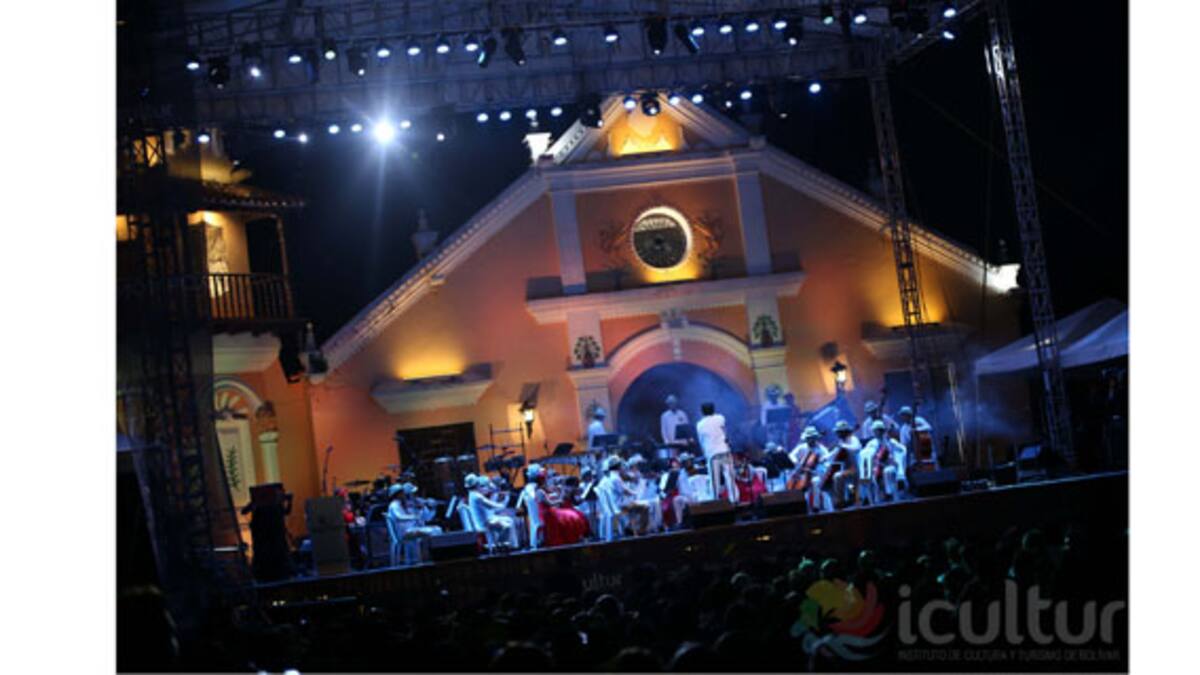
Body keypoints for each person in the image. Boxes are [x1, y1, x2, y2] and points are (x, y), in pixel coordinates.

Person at [530, 464, 590, 547]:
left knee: (572, 515)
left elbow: (571, 500)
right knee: (568, 516)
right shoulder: (540, 491)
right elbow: (550, 503)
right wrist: (559, 500)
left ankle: (576, 536)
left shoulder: (544, 489)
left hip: (553, 510)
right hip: (549, 512)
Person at [697, 402, 739, 504]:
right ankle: (734, 500)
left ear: (702, 412)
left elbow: (701, 441)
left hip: (712, 454)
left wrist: (705, 453)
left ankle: (715, 502)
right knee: (730, 476)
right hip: (724, 450)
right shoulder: (720, 418)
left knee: (714, 480)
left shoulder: (700, 424)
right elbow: (725, 432)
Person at [467, 475, 519, 550]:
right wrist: (502, 505)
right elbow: (490, 506)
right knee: (507, 526)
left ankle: (507, 545)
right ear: (476, 484)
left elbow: (486, 495)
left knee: (509, 520)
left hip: (486, 520)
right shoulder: (477, 496)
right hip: (485, 523)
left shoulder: (472, 494)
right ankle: (499, 545)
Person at [819, 420, 861, 509]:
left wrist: (844, 446)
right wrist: (824, 458)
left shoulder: (853, 439)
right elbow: (834, 453)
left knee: (837, 476)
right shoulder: (841, 442)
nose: (837, 434)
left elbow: (857, 448)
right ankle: (835, 502)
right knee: (827, 478)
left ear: (844, 431)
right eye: (837, 432)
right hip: (844, 469)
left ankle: (841, 501)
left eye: (839, 432)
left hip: (853, 470)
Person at [862, 420, 906, 503]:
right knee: (868, 478)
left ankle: (895, 499)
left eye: (880, 430)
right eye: (876, 431)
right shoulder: (871, 443)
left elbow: (902, 449)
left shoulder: (890, 441)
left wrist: (896, 458)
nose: (878, 432)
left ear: (883, 431)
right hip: (876, 467)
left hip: (889, 465)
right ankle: (875, 503)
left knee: (889, 471)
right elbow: (866, 456)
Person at [787, 426, 828, 511]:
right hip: (803, 474)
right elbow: (791, 456)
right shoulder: (802, 447)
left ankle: (816, 507)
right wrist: (796, 462)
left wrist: (817, 468)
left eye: (812, 438)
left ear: (815, 438)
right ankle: (800, 506)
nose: (810, 440)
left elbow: (827, 464)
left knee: (815, 482)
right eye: (808, 439)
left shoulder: (821, 449)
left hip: (816, 474)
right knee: (796, 482)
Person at [897, 406, 937, 471]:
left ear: (908, 414)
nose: (902, 417)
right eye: (902, 416)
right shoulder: (903, 429)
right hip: (914, 453)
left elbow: (929, 427)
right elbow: (903, 443)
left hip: (926, 449)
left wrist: (916, 430)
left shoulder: (918, 420)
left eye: (903, 415)